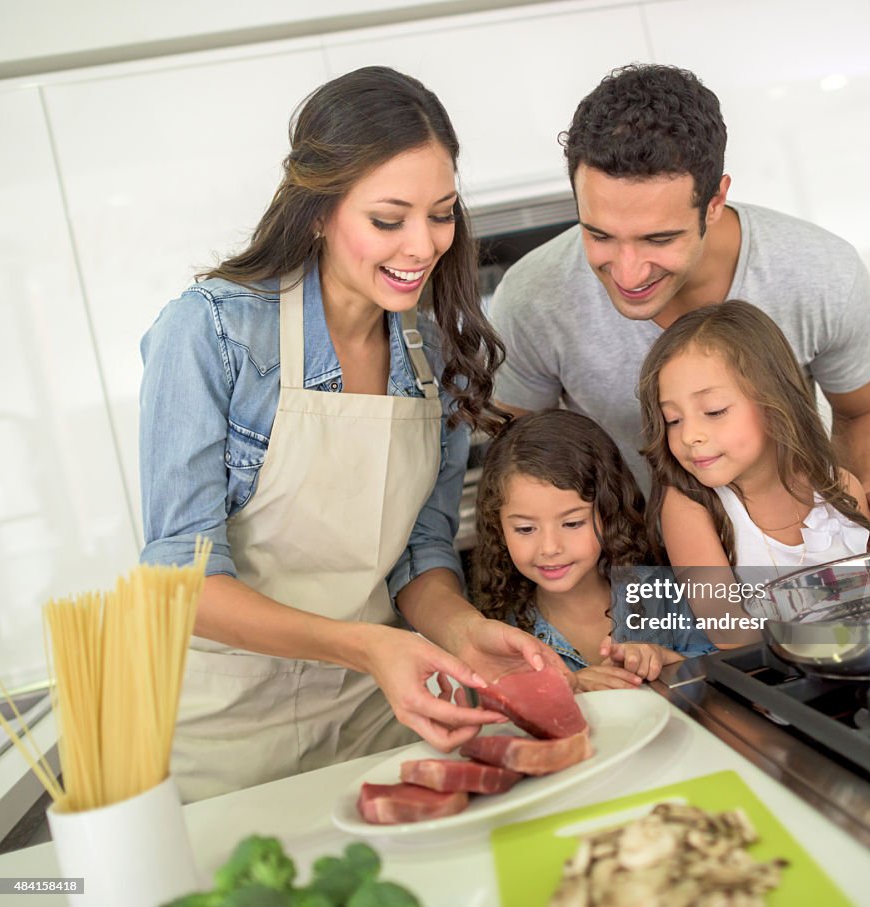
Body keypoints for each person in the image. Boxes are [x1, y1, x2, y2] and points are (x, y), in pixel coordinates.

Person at [138, 67, 558, 802]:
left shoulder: (435, 357)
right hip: (227, 731)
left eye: (442, 212)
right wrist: (370, 645)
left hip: (378, 713)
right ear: (318, 213)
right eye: (388, 219)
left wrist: (461, 630)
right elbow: (183, 580)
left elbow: (419, 559)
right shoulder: (213, 331)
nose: (423, 245)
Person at [487, 63, 870, 547]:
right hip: (631, 576)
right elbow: (516, 462)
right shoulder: (532, 299)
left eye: (660, 238)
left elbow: (863, 413)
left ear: (714, 202)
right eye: (599, 234)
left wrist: (848, 526)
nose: (628, 273)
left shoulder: (819, 272)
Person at [637, 300, 870, 646]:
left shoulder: (841, 488)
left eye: (714, 410)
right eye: (673, 419)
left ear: (774, 401)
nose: (690, 435)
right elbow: (729, 633)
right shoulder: (690, 506)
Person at [472, 410, 715, 689]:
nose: (550, 548)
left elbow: (727, 674)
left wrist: (666, 662)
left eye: (573, 523)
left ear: (609, 512)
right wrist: (570, 689)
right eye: (525, 529)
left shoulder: (670, 593)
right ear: (497, 527)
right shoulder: (500, 633)